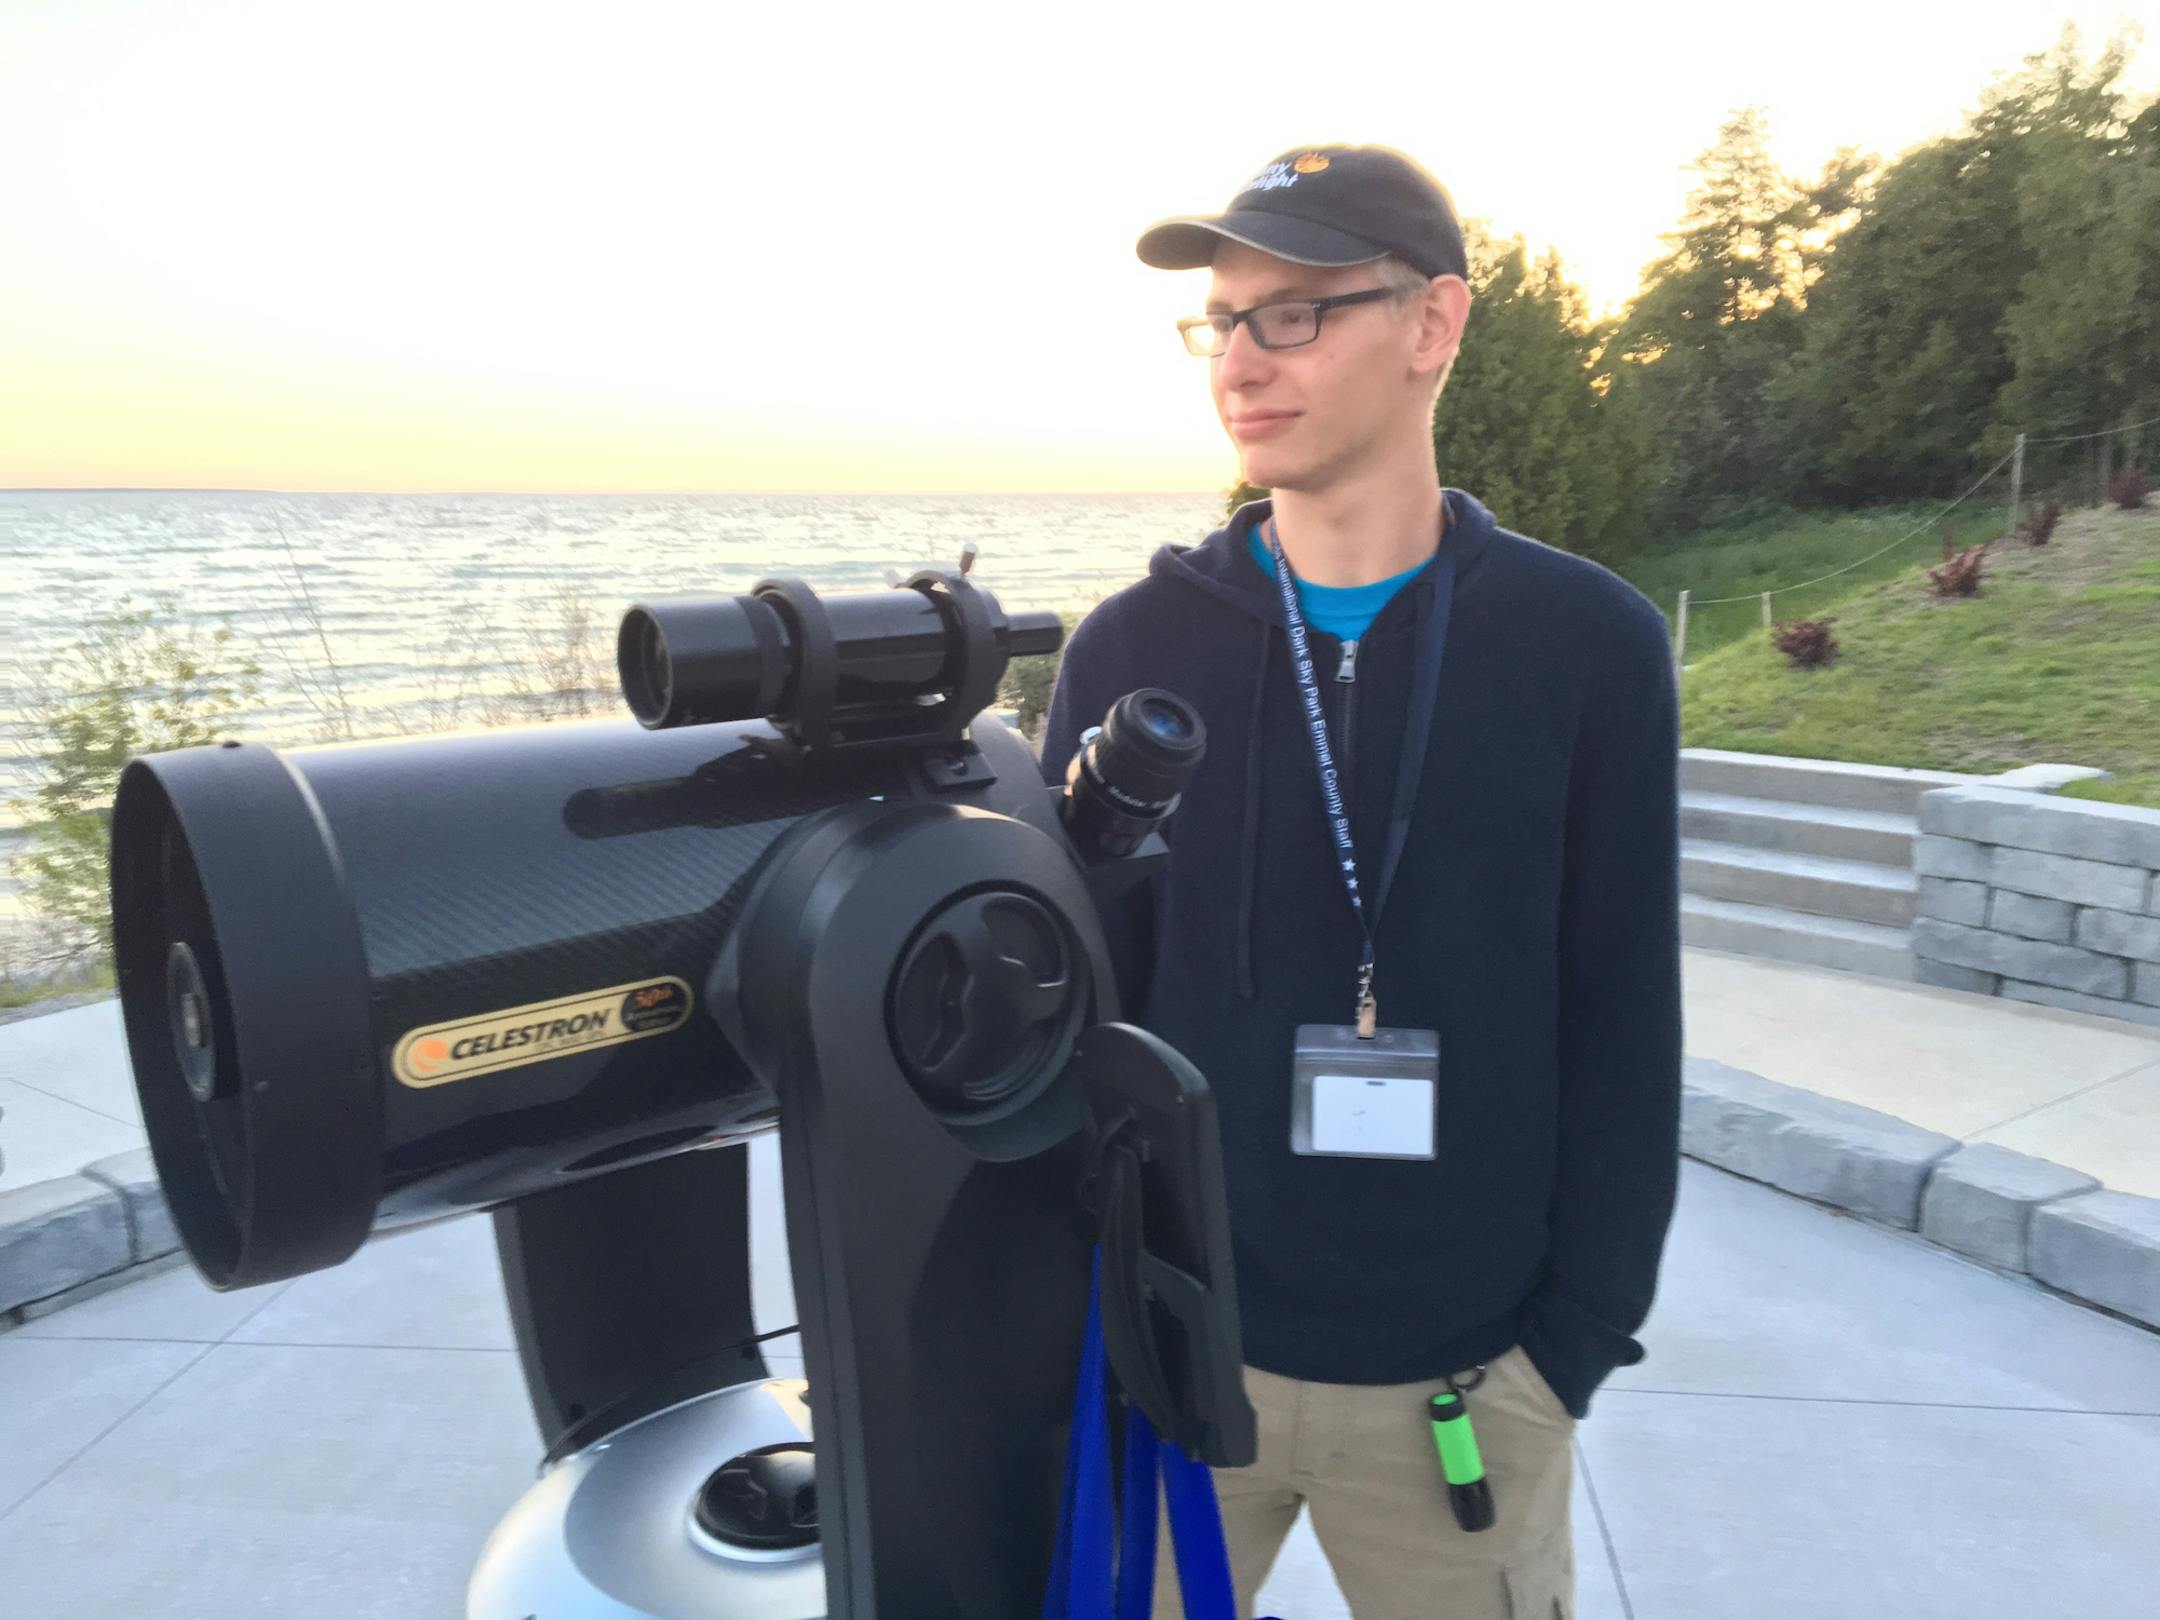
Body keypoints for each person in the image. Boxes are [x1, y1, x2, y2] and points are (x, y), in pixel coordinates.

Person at [1040, 145, 1683, 1619]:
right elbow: (1084, 1015)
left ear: (1433, 326)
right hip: (1175, 1367)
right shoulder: (1131, 654)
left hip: (1468, 1386)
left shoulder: (1585, 648)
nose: (1241, 364)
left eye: (1297, 314)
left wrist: (1569, 1348)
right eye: (1223, 320)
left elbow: (1624, 1010)